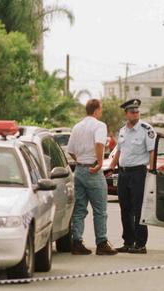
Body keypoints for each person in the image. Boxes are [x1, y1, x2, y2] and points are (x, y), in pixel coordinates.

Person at [66, 99, 117, 256]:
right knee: (100, 209)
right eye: (100, 109)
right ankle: (101, 242)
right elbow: (99, 143)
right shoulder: (99, 125)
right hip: (93, 170)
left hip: (80, 170)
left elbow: (70, 150)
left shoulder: (77, 126)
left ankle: (77, 242)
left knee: (80, 208)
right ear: (96, 111)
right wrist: (100, 162)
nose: (101, 112)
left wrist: (80, 160)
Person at [108, 99, 155, 254]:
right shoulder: (123, 130)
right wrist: (111, 167)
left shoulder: (146, 129)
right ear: (126, 114)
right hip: (123, 173)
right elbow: (119, 151)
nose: (135, 114)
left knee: (138, 208)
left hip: (138, 173)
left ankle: (140, 244)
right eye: (132, 112)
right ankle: (128, 241)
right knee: (125, 208)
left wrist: (152, 170)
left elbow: (152, 152)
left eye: (137, 111)